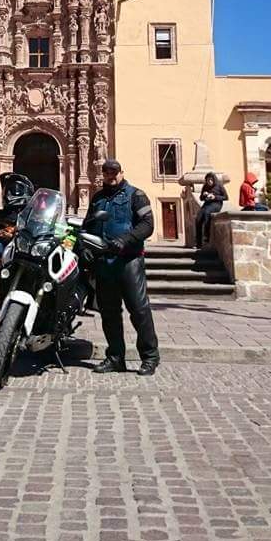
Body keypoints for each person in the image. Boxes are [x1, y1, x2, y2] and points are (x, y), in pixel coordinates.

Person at [83, 159, 159, 377]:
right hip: (104, 262)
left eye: (114, 172)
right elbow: (88, 225)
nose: (111, 176)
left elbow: (147, 224)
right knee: (109, 313)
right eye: (107, 173)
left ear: (121, 173)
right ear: (103, 174)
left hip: (129, 260)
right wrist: (85, 248)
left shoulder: (136, 195)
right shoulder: (97, 198)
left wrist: (126, 239)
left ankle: (150, 357)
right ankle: (116, 357)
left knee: (139, 310)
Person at [0, 172, 34, 267]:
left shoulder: (30, 213)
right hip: (7, 247)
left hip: (24, 247)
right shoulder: (2, 214)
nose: (8, 194)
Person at [195, 172, 228, 248]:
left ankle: (207, 236)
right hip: (207, 204)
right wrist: (204, 195)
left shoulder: (219, 186)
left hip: (216, 204)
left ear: (214, 180)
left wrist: (215, 197)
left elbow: (225, 197)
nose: (209, 181)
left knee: (207, 213)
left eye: (211, 180)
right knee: (198, 218)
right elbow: (201, 198)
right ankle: (198, 242)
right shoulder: (205, 186)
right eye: (208, 180)